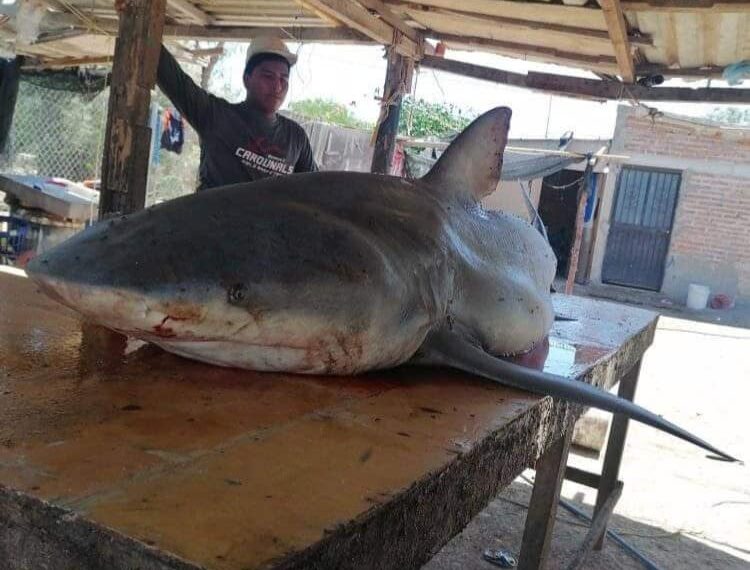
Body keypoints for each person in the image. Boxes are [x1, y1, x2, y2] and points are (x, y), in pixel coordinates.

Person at [115, 2, 317, 191]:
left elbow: (316, 190)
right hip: (210, 226)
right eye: (268, 76)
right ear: (247, 79)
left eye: (283, 78)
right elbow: (173, 79)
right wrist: (134, 16)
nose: (277, 86)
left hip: (269, 229)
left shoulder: (296, 137)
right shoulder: (217, 115)